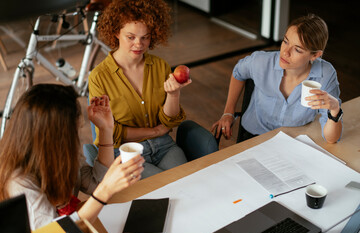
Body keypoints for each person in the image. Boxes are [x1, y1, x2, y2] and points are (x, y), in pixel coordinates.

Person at [0, 84, 144, 230]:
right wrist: (105, 190)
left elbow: (96, 184)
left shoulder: (60, 154)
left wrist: (106, 129)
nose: (77, 139)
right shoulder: (19, 183)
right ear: (55, 137)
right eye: (75, 131)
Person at [89, 0, 191, 178]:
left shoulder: (160, 66)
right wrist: (154, 131)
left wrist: (173, 94)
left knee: (185, 182)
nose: (139, 44)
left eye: (146, 37)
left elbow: (169, 121)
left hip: (164, 146)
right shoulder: (99, 77)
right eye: (131, 37)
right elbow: (109, 132)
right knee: (162, 188)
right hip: (126, 152)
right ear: (116, 32)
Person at [212, 14, 342, 144]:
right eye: (285, 41)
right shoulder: (261, 62)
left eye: (297, 49)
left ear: (315, 55)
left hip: (295, 140)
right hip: (255, 137)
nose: (285, 52)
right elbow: (238, 72)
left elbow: (331, 139)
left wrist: (335, 109)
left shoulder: (325, 74)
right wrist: (228, 112)